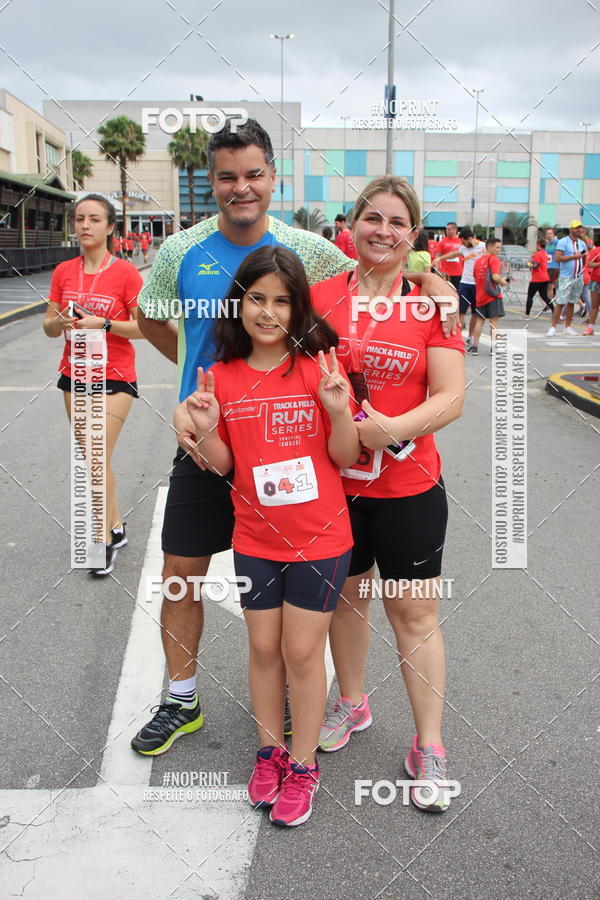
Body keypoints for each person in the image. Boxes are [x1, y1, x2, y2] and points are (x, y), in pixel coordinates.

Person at [131, 117, 457, 757]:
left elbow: (377, 268)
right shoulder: (179, 252)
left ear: (272, 177)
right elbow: (150, 314)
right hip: (211, 437)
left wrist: (431, 280)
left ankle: (301, 705)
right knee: (181, 572)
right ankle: (181, 699)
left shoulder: (310, 252)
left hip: (291, 450)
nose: (241, 187)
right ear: (212, 181)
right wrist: (198, 376)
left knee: (298, 590)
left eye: (253, 174)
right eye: (227, 176)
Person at [183, 246, 359, 827]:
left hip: (322, 540)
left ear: (298, 307)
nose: (267, 311)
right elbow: (224, 463)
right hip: (255, 539)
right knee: (263, 648)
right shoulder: (225, 376)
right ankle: (269, 752)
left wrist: (337, 413)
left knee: (302, 651)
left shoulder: (319, 369)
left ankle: (304, 765)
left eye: (282, 300)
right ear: (239, 303)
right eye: (257, 298)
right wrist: (205, 432)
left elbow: (346, 456)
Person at [311, 176, 465, 813]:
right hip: (332, 486)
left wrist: (387, 431)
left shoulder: (436, 306)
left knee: (414, 614)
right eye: (371, 218)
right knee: (347, 601)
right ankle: (352, 703)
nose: (382, 231)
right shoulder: (318, 296)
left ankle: (429, 745)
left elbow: (451, 398)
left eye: (397, 222)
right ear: (352, 224)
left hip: (409, 485)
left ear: (414, 235)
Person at [42, 194, 143, 575]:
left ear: (110, 227)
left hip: (115, 376)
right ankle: (116, 527)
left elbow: (144, 328)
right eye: (80, 218)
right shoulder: (63, 271)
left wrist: (101, 324)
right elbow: (48, 327)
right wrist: (62, 323)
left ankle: (101, 542)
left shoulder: (126, 274)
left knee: (96, 455)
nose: (85, 225)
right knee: (93, 457)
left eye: (94, 219)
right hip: (74, 376)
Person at [546, 220, 587, 336]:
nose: (579, 230)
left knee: (572, 302)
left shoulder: (582, 243)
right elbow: (558, 258)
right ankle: (553, 327)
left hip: (578, 277)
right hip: (566, 277)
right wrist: (574, 257)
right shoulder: (563, 242)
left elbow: (584, 258)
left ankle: (568, 327)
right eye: (576, 228)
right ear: (571, 229)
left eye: (580, 228)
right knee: (560, 303)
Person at [469, 238, 508, 355]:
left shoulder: (478, 261)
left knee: (479, 321)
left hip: (480, 295)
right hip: (493, 296)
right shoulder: (494, 259)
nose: (498, 250)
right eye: (497, 247)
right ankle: (494, 348)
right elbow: (495, 277)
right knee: (494, 322)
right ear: (489, 247)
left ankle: (474, 347)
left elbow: (475, 278)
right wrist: (503, 282)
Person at [456, 227, 485, 337]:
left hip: (478, 285)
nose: (462, 244)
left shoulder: (483, 247)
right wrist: (440, 258)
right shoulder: (463, 248)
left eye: (463, 241)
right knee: (461, 312)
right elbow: (454, 254)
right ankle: (459, 336)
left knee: (475, 313)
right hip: (464, 283)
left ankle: (470, 336)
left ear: (469, 238)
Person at [525, 237, 554, 316]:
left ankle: (527, 314)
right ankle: (554, 310)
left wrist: (528, 263)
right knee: (544, 296)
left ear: (538, 245)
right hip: (545, 277)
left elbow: (535, 266)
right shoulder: (545, 253)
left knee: (530, 296)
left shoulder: (538, 254)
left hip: (537, 278)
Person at [433, 221, 463, 292]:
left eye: (449, 229)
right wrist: (438, 271)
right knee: (446, 292)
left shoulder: (461, 241)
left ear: (455, 229)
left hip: (458, 272)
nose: (447, 231)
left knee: (457, 292)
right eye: (446, 229)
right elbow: (438, 256)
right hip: (446, 272)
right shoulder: (442, 242)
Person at [545, 227, 560, 300]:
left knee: (550, 285)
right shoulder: (547, 244)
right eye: (547, 234)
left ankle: (549, 304)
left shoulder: (557, 242)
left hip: (554, 267)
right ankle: (550, 300)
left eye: (550, 233)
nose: (549, 235)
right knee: (546, 286)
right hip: (547, 267)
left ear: (554, 235)